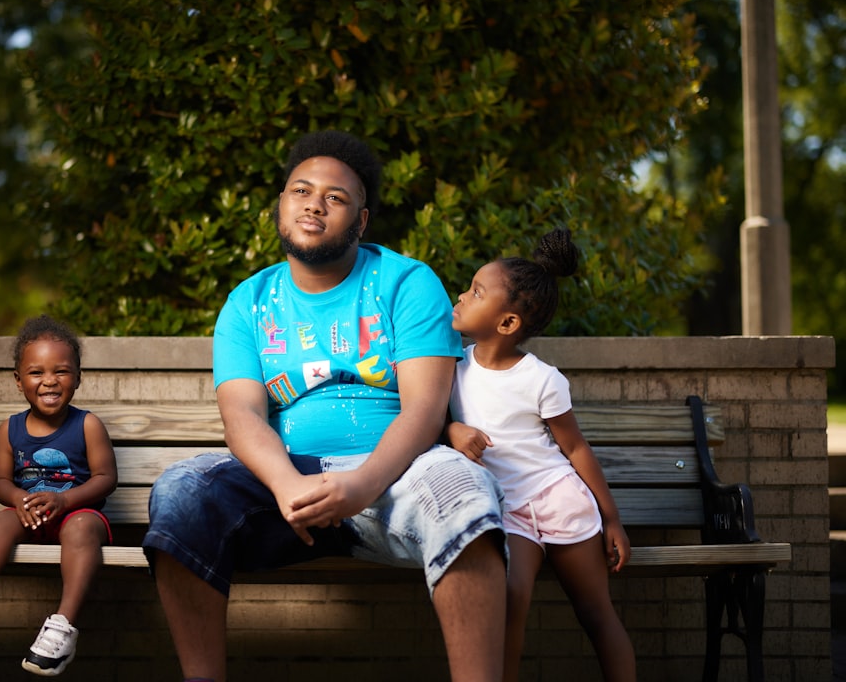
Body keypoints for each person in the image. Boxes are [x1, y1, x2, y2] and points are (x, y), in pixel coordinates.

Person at [143, 129, 508, 682]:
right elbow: (242, 415)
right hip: (285, 489)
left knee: (467, 492)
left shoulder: (406, 282)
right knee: (181, 491)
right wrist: (287, 484)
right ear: (282, 205)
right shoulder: (248, 302)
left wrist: (362, 485)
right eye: (300, 190)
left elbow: (424, 410)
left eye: (336, 197)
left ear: (361, 221)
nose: (315, 203)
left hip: (396, 479)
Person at [446, 228, 636, 682]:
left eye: (476, 292)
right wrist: (452, 429)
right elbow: (427, 421)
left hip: (559, 499)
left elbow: (574, 448)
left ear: (508, 323)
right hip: (506, 509)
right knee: (509, 601)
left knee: (596, 613)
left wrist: (611, 521)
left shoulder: (542, 378)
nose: (461, 295)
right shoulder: (452, 368)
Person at [0, 315, 118, 677]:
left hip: (77, 515)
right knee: (0, 519)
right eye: (37, 372)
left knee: (81, 528)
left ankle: (62, 627)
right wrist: (17, 498)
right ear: (19, 381)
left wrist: (66, 501)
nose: (49, 380)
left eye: (62, 371)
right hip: (29, 516)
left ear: (78, 377)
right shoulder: (10, 429)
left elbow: (106, 478)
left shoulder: (87, 424)